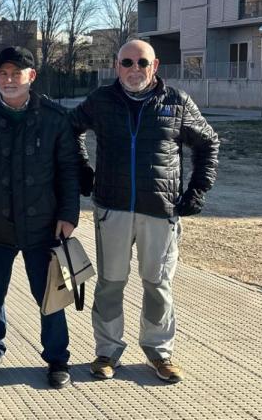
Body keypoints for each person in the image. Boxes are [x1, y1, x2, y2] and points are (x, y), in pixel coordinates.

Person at [71, 40, 219, 384]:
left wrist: (198, 190)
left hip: (160, 211)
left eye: (142, 62)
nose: (134, 69)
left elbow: (208, 142)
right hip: (113, 209)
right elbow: (70, 129)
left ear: (155, 66)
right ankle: (107, 352)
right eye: (127, 62)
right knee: (110, 283)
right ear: (116, 65)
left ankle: (159, 353)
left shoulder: (176, 102)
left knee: (158, 284)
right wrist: (82, 170)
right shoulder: (101, 101)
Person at [0, 46, 80, 389]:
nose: (9, 80)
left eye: (16, 73)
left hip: (44, 224)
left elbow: (69, 170)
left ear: (31, 76)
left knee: (49, 294)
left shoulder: (54, 118)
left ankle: (57, 358)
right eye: (3, 74)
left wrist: (69, 215)